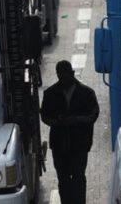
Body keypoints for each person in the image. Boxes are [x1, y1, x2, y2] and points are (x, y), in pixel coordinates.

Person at [41, 61, 100, 204]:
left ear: (72, 74)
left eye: (66, 75)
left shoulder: (86, 93)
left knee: (79, 177)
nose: (63, 78)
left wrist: (77, 120)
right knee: (63, 178)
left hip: (80, 144)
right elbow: (44, 115)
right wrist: (56, 121)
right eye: (61, 75)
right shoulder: (50, 93)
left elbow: (93, 114)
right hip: (60, 146)